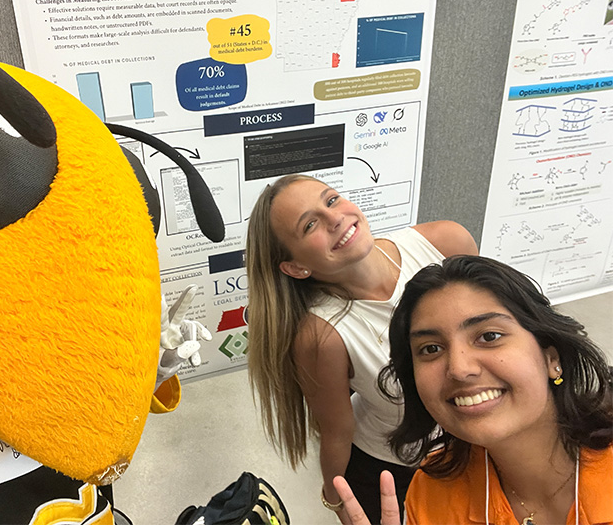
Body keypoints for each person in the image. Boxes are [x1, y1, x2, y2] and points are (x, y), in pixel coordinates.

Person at [244, 173, 477, 523]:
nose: (335, 218)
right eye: (310, 225)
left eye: (331, 200)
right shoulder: (321, 336)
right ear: (296, 267)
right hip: (395, 474)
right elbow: (337, 430)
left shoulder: (446, 242)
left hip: (478, 449)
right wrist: (336, 500)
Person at [332, 255, 613, 525]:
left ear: (552, 358)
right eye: (431, 349)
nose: (459, 368)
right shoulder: (433, 493)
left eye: (489, 336)